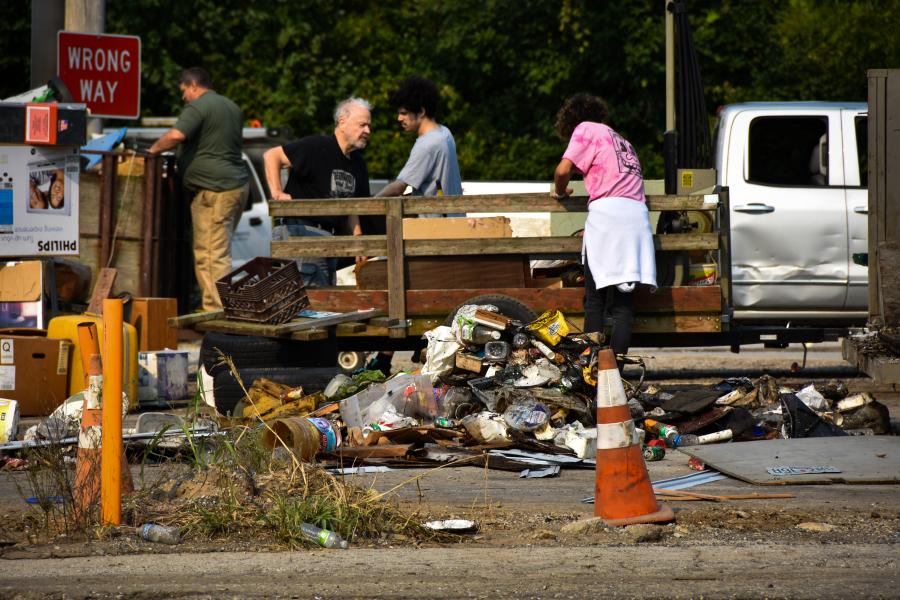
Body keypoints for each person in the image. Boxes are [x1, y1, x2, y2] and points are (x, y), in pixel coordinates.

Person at [551, 93, 656, 359]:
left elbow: (563, 170)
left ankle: (592, 367)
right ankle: (616, 375)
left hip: (609, 217)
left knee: (595, 298)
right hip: (636, 220)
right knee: (622, 304)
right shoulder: (621, 140)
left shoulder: (586, 129)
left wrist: (560, 192)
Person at [149, 67, 249, 312]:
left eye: (184, 91)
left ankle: (216, 311)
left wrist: (150, 152)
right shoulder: (231, 107)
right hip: (235, 187)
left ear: (193, 85)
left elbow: (176, 135)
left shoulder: (199, 106)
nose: (183, 98)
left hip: (214, 190)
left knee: (211, 254)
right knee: (217, 250)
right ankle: (217, 306)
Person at [263, 97, 373, 286]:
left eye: (369, 126)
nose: (368, 131)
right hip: (301, 232)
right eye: (362, 125)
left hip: (331, 239)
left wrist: (358, 242)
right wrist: (277, 193)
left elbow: (352, 207)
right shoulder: (316, 146)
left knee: (323, 302)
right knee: (307, 302)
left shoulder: (358, 163)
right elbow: (272, 155)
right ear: (342, 122)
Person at [377, 76, 462, 213]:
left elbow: (399, 187)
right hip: (454, 219)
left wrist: (370, 203)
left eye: (404, 113)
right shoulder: (445, 133)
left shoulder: (426, 145)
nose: (399, 118)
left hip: (434, 227)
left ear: (421, 112)